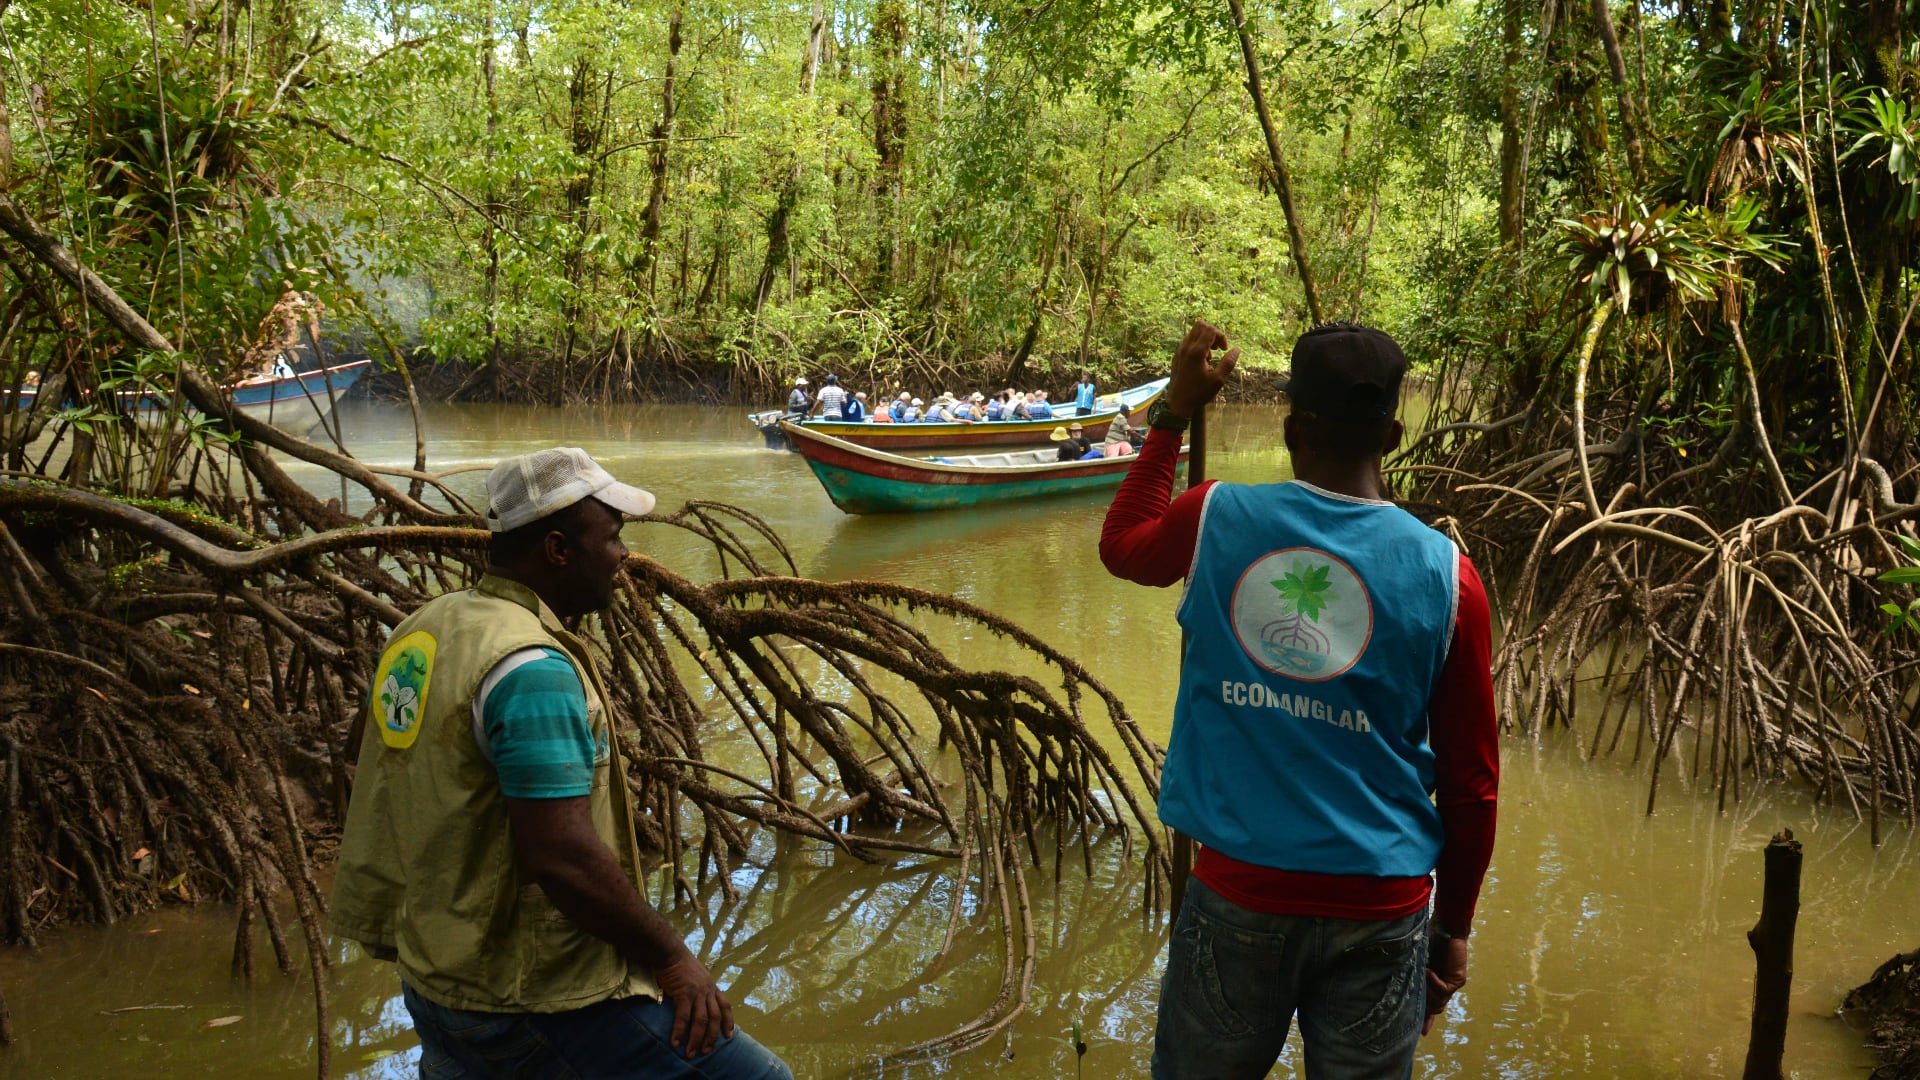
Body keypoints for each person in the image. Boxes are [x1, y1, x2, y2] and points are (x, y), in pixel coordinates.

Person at [1100, 322, 1498, 1080]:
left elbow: (1123, 545)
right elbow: (1473, 784)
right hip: (1384, 912)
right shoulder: (1451, 577)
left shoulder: (1215, 517)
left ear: (1292, 429)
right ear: (1394, 434)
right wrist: (1454, 926)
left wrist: (1174, 413)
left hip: (1238, 893)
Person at [332, 447, 793, 1080]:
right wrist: (674, 960)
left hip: (436, 980)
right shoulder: (532, 668)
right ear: (557, 549)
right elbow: (560, 854)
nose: (624, 555)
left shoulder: (424, 628)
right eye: (613, 537)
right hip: (527, 1000)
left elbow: (382, 770)